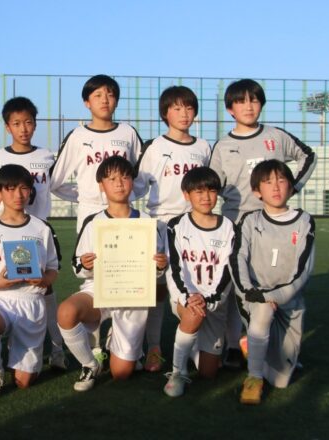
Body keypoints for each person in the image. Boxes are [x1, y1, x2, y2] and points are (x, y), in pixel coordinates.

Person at [209, 79, 317, 368]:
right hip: (236, 222)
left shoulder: (275, 136)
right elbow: (212, 183)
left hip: (275, 224)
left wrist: (293, 187)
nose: (248, 106)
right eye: (241, 101)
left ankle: (276, 346)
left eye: (254, 100)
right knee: (237, 286)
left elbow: (308, 155)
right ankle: (235, 345)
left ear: (261, 104)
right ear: (230, 109)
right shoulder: (223, 145)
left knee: (275, 282)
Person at [50, 74, 144, 356]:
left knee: (127, 274)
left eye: (110, 94)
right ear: (86, 102)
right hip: (91, 212)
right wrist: (84, 196)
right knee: (93, 273)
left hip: (124, 215)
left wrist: (126, 197)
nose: (105, 100)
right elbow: (55, 181)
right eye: (98, 95)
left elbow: (141, 175)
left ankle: (123, 336)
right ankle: (94, 346)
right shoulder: (78, 136)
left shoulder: (127, 133)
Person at [57, 156, 167, 392]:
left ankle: (114, 341)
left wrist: (160, 266)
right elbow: (77, 267)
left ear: (133, 182)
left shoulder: (148, 222)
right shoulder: (93, 222)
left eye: (125, 177)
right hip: (99, 288)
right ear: (101, 185)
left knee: (121, 373)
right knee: (66, 312)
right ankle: (89, 364)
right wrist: (85, 264)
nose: (119, 183)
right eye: (112, 178)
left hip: (133, 295)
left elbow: (158, 272)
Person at [0, 164, 60, 400]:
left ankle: (17, 352)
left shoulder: (42, 228)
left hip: (30, 300)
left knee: (24, 382)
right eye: (10, 188)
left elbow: (53, 269)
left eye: (24, 188)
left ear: (30, 192)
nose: (18, 194)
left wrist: (43, 280)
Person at [0, 97, 67, 370]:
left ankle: (57, 349)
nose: (23, 129)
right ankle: (2, 348)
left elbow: (57, 185)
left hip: (37, 232)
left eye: (29, 122)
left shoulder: (46, 157)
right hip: (6, 232)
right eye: (17, 123)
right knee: (7, 288)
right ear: (8, 127)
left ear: (35, 124)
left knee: (43, 286)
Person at [133, 85, 212, 372]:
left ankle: (194, 344)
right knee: (156, 290)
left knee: (193, 284)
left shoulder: (203, 147)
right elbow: (137, 187)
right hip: (161, 224)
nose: (184, 113)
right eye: (177, 108)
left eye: (189, 108)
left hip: (193, 226)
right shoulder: (155, 147)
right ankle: (153, 347)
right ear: (165, 113)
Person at [230, 159, 315, 404]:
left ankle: (252, 344)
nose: (276, 187)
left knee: (280, 380)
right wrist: (251, 292)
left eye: (281, 180)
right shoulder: (250, 220)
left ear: (291, 186)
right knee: (263, 311)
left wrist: (275, 295)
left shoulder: (304, 220)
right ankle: (254, 377)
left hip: (289, 301)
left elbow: (303, 270)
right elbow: (237, 258)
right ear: (257, 191)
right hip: (255, 298)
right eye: (268, 182)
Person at [162, 167, 235, 397]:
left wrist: (210, 299)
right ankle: (177, 372)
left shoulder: (228, 227)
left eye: (211, 191)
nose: (206, 197)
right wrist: (188, 297)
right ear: (187, 195)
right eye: (199, 192)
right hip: (187, 298)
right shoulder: (176, 225)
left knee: (209, 372)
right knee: (193, 316)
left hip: (214, 301)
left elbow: (227, 271)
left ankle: (194, 345)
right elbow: (174, 269)